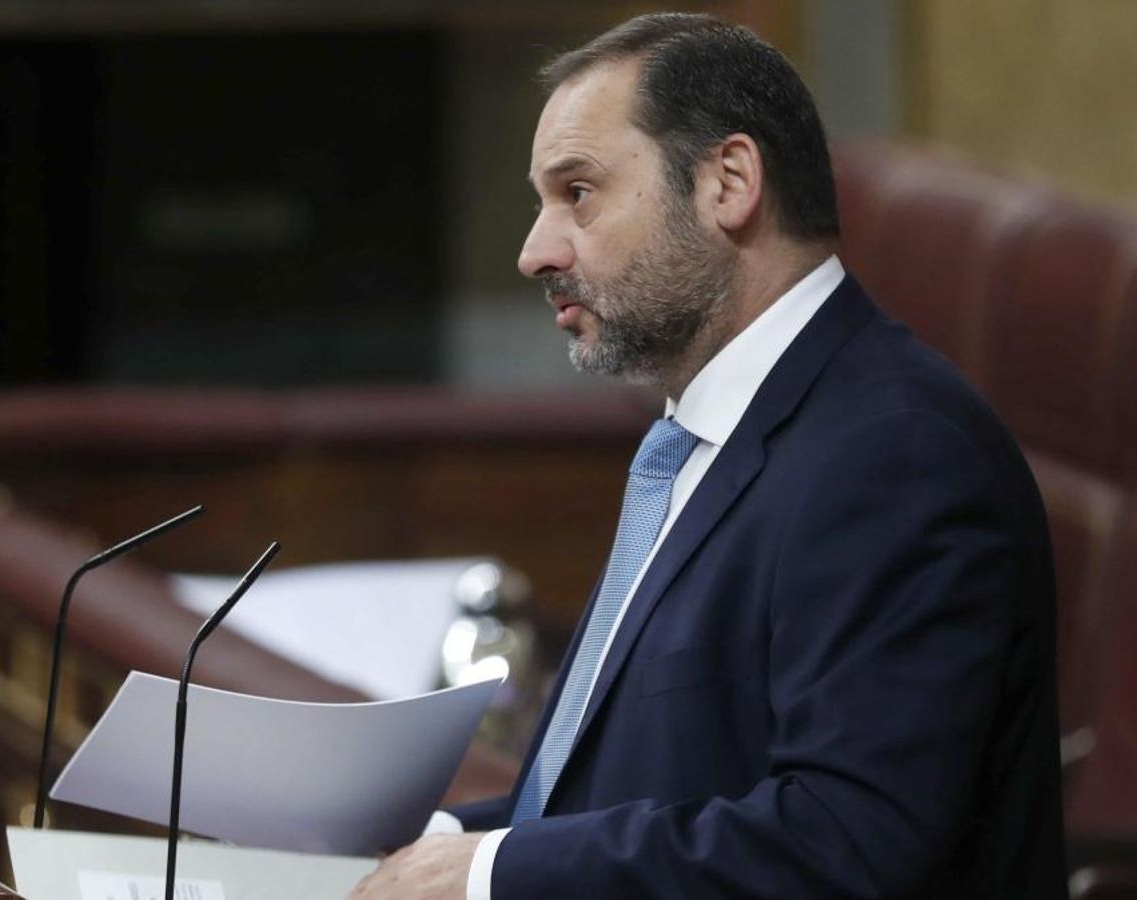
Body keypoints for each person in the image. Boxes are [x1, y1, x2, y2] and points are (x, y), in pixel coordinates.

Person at [349, 12, 1064, 899]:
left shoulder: (896, 455)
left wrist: (492, 875)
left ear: (728, 182)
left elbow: (850, 842)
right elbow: (648, 785)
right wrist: (444, 842)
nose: (536, 251)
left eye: (579, 192)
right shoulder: (696, 437)